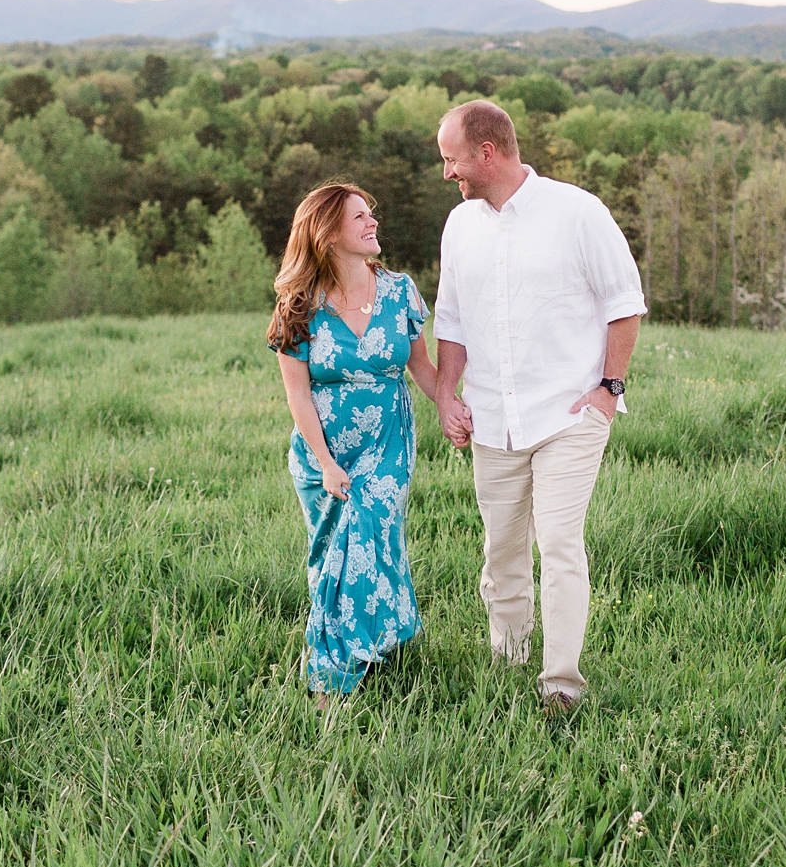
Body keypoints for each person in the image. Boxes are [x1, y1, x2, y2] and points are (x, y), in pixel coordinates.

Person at [431, 100, 646, 715]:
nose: (449, 174)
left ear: (487, 153)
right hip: (492, 419)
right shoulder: (461, 225)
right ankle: (508, 660)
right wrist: (448, 394)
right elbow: (451, 321)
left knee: (558, 543)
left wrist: (610, 389)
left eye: (453, 161)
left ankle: (561, 685)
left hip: (568, 415)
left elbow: (624, 304)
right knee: (501, 553)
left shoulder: (578, 212)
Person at [269, 182, 437, 704]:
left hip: (388, 444)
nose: (373, 224)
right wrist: (324, 463)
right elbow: (297, 395)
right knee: (332, 556)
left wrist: (453, 407)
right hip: (324, 455)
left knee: (363, 539)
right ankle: (381, 636)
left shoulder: (399, 291)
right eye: (359, 218)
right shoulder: (298, 304)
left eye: (372, 215)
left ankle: (331, 679)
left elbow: (422, 368)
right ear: (328, 233)